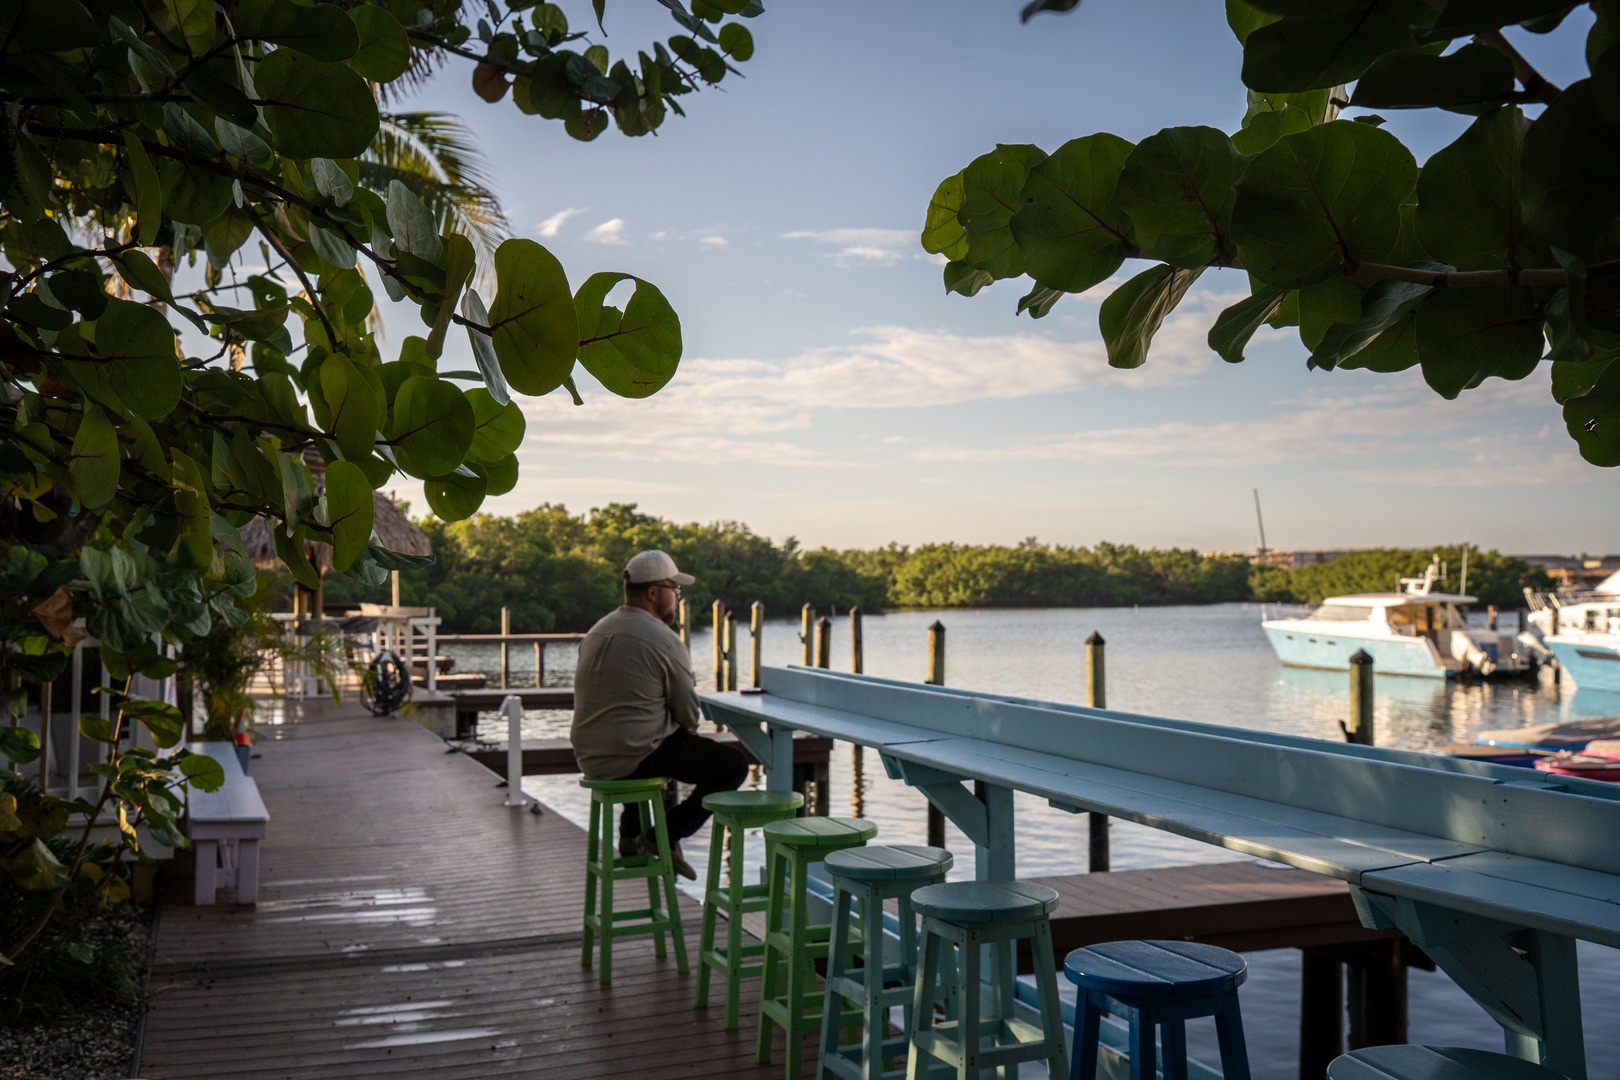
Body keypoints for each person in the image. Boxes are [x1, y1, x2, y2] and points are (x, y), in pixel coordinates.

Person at [570, 549, 749, 879]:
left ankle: (629, 836)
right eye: (675, 589)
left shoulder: (597, 631)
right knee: (733, 766)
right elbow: (687, 710)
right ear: (654, 592)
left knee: (653, 742)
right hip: (631, 756)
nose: (678, 597)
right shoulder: (664, 640)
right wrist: (687, 733)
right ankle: (663, 837)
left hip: (591, 758)